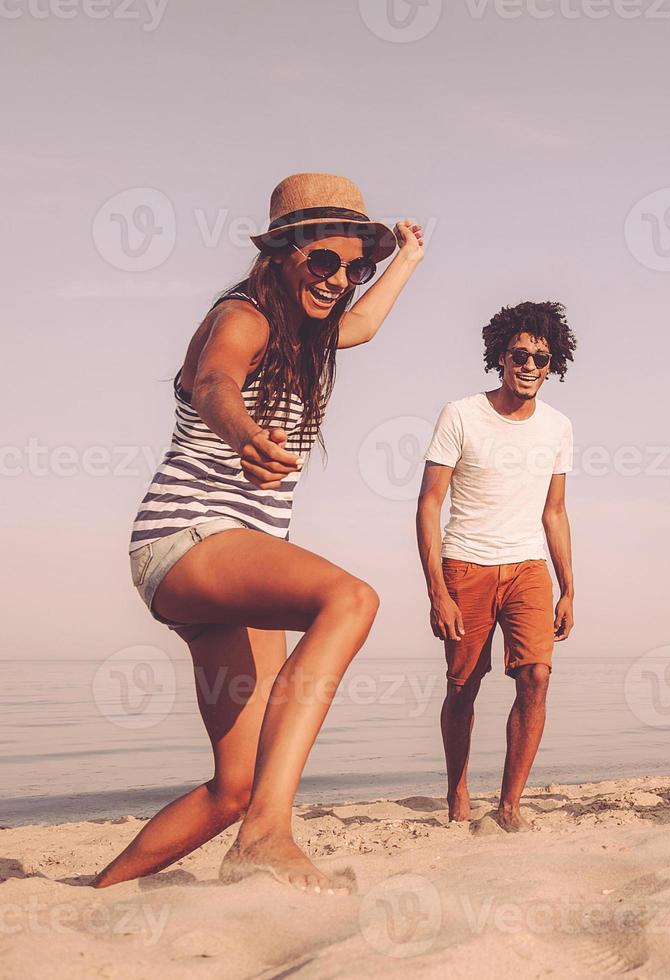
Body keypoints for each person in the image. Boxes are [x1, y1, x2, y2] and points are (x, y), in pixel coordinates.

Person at [97, 173, 424, 892]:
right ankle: (269, 836)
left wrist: (403, 259)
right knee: (350, 600)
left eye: (353, 266)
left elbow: (364, 325)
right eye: (324, 262)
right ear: (281, 253)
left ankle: (100, 894)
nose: (340, 279)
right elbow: (215, 382)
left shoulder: (317, 334)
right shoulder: (243, 317)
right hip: (187, 538)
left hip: (230, 566)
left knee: (233, 788)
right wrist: (242, 431)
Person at [416, 302, 576, 831]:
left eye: (541, 357)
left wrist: (569, 588)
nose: (530, 365)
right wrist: (437, 589)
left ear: (553, 364)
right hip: (466, 565)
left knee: (535, 676)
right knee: (463, 685)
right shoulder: (461, 414)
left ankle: (510, 806)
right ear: (500, 357)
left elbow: (555, 511)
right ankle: (457, 790)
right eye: (520, 355)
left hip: (529, 567)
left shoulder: (558, 427)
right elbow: (429, 504)